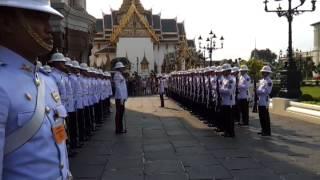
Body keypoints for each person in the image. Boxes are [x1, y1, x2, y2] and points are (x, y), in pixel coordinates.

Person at [0, 0, 72, 179]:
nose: (49, 29)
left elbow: (58, 143)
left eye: (48, 19)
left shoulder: (47, 82)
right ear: (7, 22)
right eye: (39, 18)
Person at [220, 64, 236, 137]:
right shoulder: (224, 79)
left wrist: (221, 90)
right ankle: (226, 131)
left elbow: (229, 91)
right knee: (225, 118)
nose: (223, 73)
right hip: (224, 101)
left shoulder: (231, 80)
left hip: (229, 102)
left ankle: (231, 133)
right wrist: (222, 90)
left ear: (228, 71)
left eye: (224, 71)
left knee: (229, 119)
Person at [257, 66, 273, 136]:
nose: (263, 73)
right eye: (262, 72)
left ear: (268, 73)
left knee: (265, 116)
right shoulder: (262, 81)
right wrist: (259, 91)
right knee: (261, 116)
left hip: (265, 100)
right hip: (260, 99)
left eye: (264, 72)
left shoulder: (269, 81)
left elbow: (267, 91)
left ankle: (267, 131)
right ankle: (263, 129)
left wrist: (258, 91)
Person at [113, 62, 128, 134]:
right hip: (119, 97)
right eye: (122, 68)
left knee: (121, 112)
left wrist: (125, 97)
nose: (123, 68)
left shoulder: (120, 75)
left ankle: (120, 128)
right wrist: (122, 97)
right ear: (119, 68)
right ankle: (118, 129)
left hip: (122, 97)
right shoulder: (117, 75)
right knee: (119, 113)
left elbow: (123, 87)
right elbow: (118, 87)